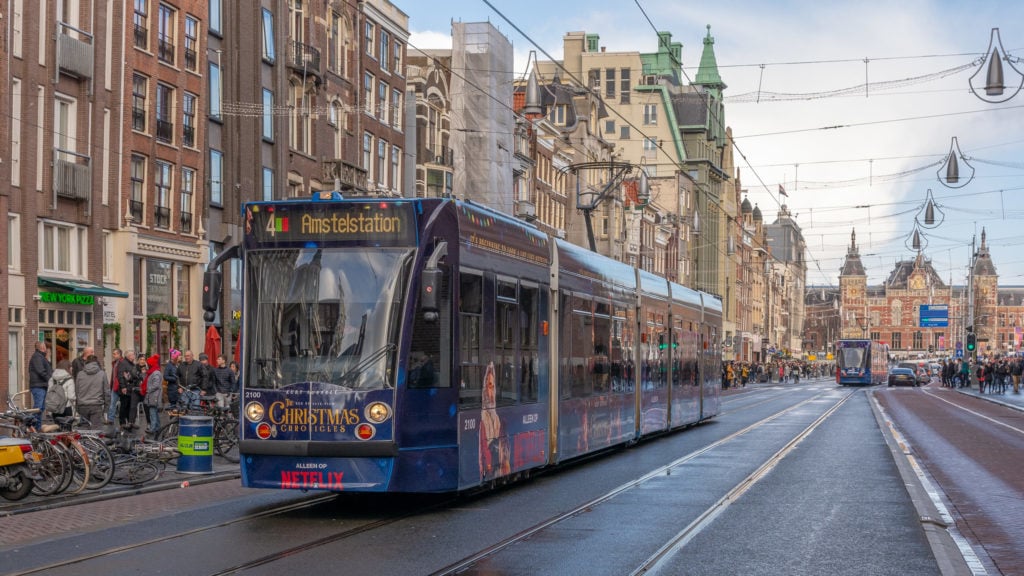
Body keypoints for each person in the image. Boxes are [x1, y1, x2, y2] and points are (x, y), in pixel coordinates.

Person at [75, 354, 108, 428]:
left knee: (83, 430)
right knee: (96, 430)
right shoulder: (102, 374)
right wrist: (106, 408)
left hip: (83, 405)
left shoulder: (80, 374)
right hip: (96, 405)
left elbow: (77, 390)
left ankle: (84, 439)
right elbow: (107, 392)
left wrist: (78, 405)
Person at [28, 341, 53, 430]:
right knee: (38, 408)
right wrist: (50, 379)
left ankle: (37, 428)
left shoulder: (41, 357)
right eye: (45, 347)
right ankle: (33, 427)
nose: (46, 348)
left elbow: (46, 369)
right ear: (42, 348)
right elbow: (41, 371)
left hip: (41, 385)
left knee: (40, 408)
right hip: (38, 386)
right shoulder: (37, 357)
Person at [116, 350, 142, 429]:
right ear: (128, 356)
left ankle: (130, 421)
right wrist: (123, 387)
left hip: (131, 388)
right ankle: (122, 422)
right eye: (133, 355)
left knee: (130, 405)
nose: (134, 356)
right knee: (124, 405)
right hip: (125, 388)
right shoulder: (123, 363)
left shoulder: (132, 364)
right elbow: (120, 375)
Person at [142, 354, 164, 436]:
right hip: (152, 396)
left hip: (154, 396)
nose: (146, 365)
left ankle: (153, 428)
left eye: (147, 363)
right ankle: (157, 428)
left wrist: (148, 389)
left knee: (152, 413)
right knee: (154, 412)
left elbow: (156, 385)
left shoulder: (156, 373)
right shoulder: (152, 372)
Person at [107, 349, 124, 424]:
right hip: (114, 386)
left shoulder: (122, 362)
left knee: (123, 404)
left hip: (121, 386)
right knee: (112, 403)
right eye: (113, 354)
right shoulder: (114, 363)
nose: (113, 355)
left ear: (119, 354)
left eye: (115, 354)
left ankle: (123, 420)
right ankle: (111, 419)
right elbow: (113, 375)